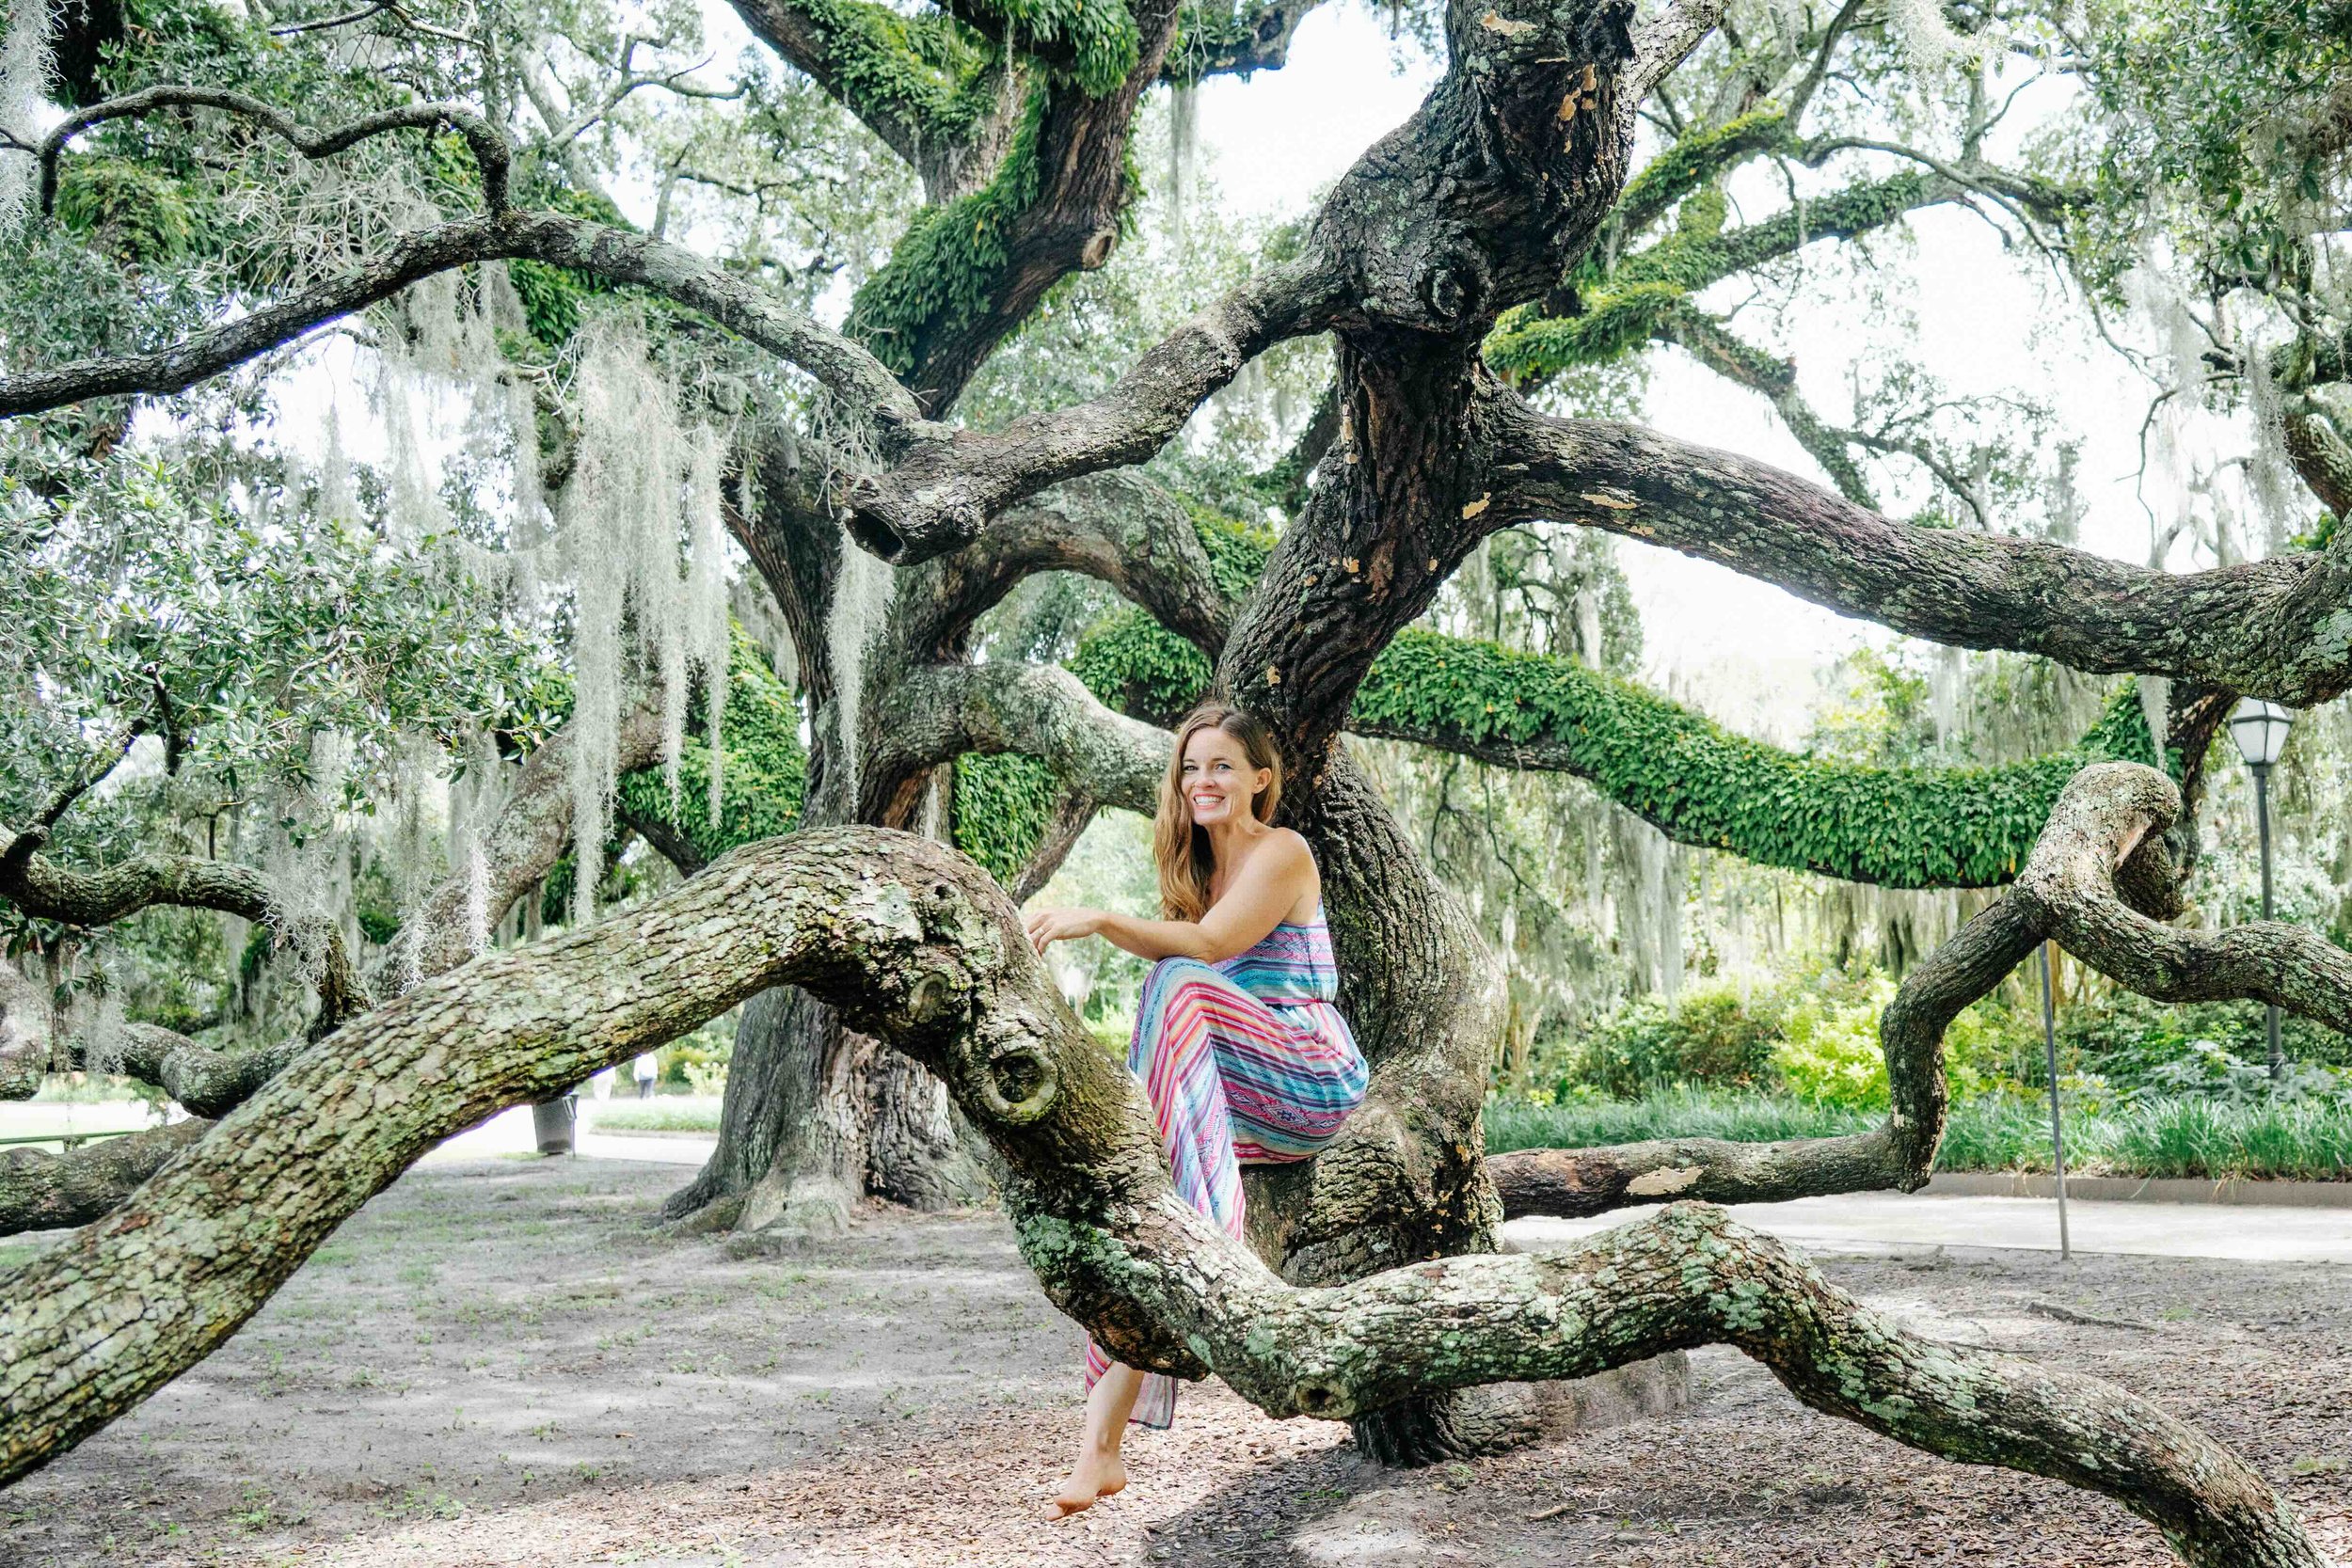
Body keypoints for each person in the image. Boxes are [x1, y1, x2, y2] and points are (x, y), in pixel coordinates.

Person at [1024, 701, 1369, 1518]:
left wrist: (1100, 919)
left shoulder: (1282, 852)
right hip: (1245, 1088)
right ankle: (1099, 1446)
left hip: (1309, 1074)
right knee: (1149, 1190)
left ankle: (1206, 1251)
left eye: (1221, 765)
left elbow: (1210, 950)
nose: (1203, 780)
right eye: (1190, 767)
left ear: (1260, 780)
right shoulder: (1195, 873)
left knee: (1173, 978)